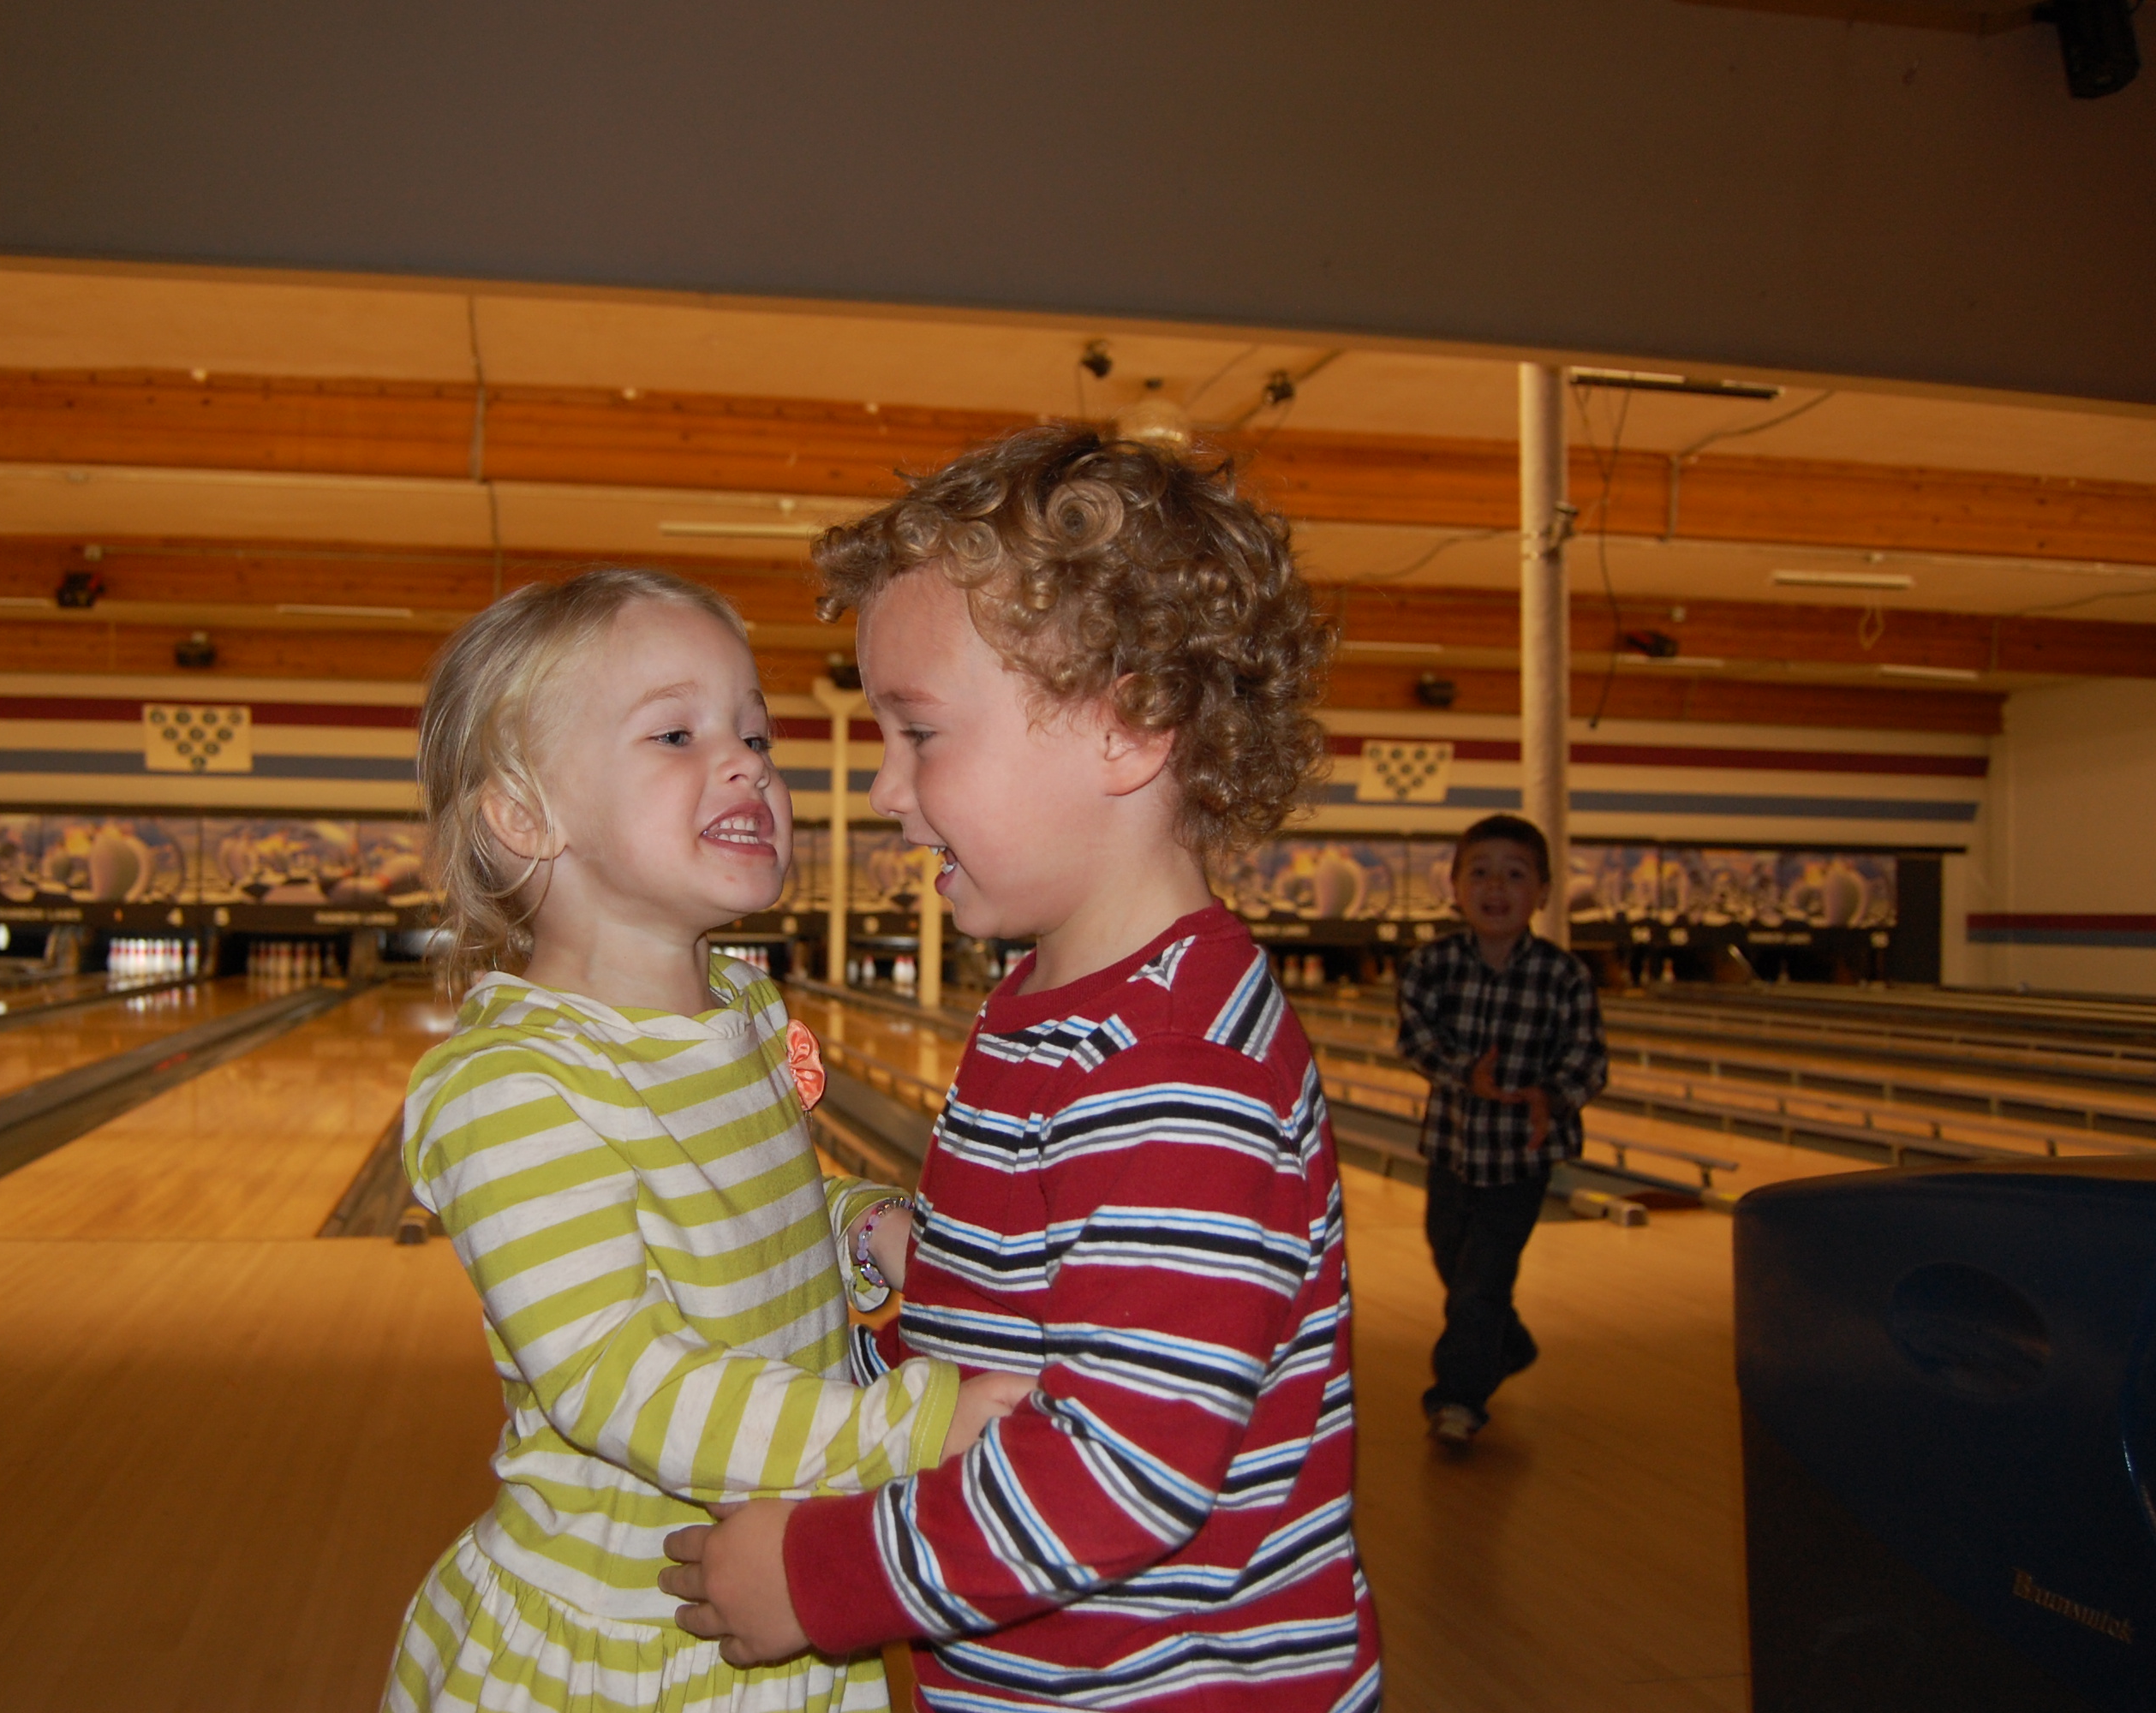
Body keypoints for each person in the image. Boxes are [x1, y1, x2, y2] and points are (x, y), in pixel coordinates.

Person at [660, 428, 1383, 1712]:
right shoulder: (1047, 1004)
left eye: (918, 732)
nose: (882, 787)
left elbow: (1120, 1468)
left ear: (1128, 728)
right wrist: (877, 1336)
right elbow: (1021, 1330)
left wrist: (821, 1576)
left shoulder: (1172, 1068)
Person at [382, 567, 1026, 1713]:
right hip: (629, 1642)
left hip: (772, 1588)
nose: (747, 764)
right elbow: (617, 1378)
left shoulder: (743, 1010)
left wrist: (857, 1225)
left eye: (755, 733)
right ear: (524, 816)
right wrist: (912, 1429)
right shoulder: (511, 1088)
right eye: (676, 734)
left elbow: (741, 1226)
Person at [1396, 814, 1610, 1447]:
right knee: (1452, 1260)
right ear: (1455, 886)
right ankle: (1507, 1344)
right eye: (1480, 872)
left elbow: (1589, 1058)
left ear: (1542, 893)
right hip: (1451, 1149)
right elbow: (1415, 1040)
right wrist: (1466, 1072)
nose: (1496, 887)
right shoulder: (1429, 965)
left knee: (1481, 1282)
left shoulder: (1565, 976)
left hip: (1521, 1160)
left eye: (1515, 875)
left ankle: (1457, 1400)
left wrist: (1553, 1095)